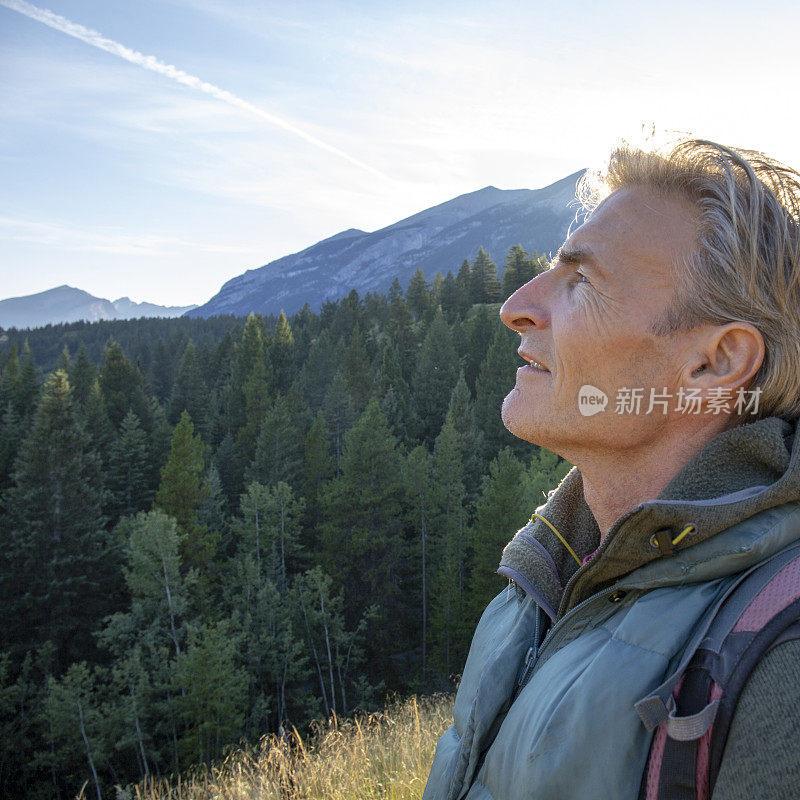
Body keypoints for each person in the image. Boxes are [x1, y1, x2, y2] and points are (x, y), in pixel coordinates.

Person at [422, 139, 800, 800]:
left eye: (582, 281)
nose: (515, 305)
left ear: (716, 363)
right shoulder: (544, 572)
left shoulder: (780, 660)